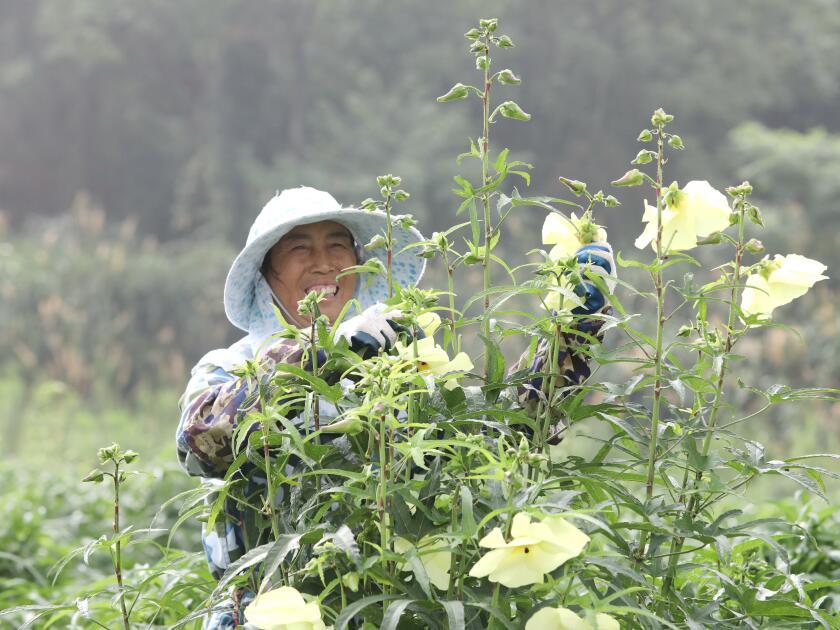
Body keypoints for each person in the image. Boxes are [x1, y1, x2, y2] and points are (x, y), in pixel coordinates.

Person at [175, 186, 615, 628]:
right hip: (263, 613)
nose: (324, 261)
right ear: (266, 273)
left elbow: (507, 429)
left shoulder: (400, 368)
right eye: (299, 247)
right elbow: (201, 442)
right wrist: (324, 354)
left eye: (338, 244)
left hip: (386, 608)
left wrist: (574, 327)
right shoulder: (232, 366)